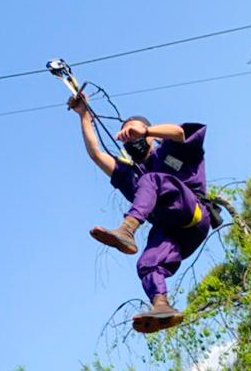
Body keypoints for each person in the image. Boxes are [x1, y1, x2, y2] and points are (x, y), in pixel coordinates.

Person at [69, 91, 212, 333]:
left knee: (153, 180)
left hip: (194, 213)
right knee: (147, 263)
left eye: (134, 132)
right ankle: (162, 307)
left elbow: (181, 133)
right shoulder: (130, 174)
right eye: (127, 136)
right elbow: (96, 154)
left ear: (151, 136)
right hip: (174, 233)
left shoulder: (170, 149)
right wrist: (83, 114)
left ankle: (127, 229)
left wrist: (146, 130)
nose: (131, 138)